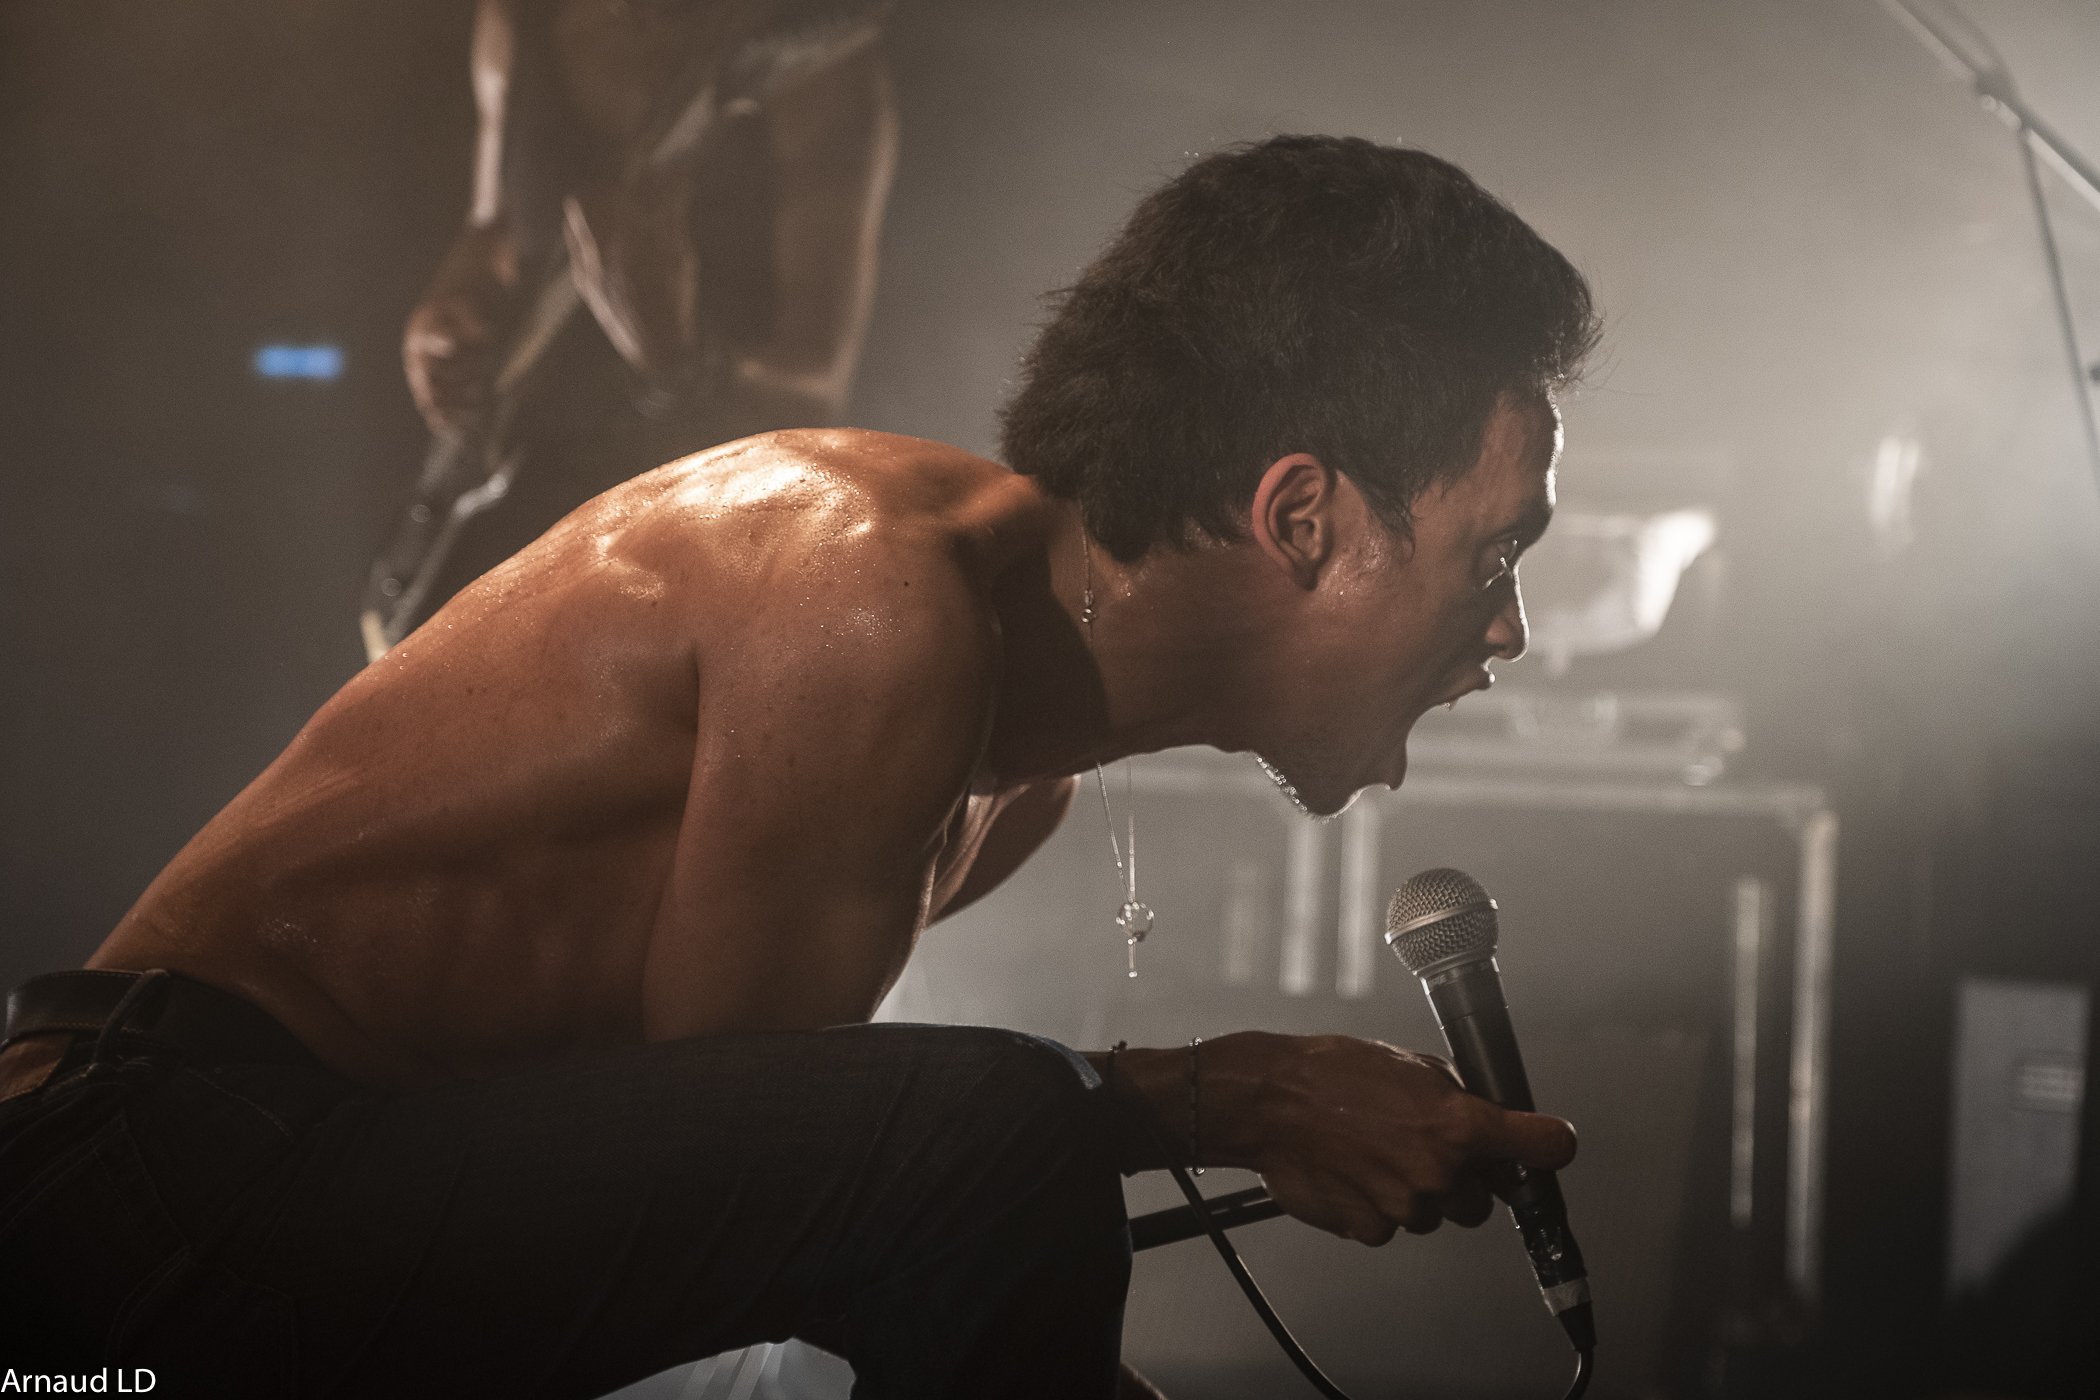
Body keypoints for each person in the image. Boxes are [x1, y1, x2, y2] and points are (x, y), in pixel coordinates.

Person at [1, 135, 1599, 1399]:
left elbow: (770, 1212)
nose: (1511, 630)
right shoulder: (868, 595)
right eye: (1493, 555)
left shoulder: (1016, 785)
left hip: (290, 1211)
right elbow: (812, 1148)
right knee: (994, 1127)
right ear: (1301, 516)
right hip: (130, 1199)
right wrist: (1232, 1094)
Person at [386, 0, 898, 640]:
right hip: (486, 525)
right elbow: (492, 228)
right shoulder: (516, 19)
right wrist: (444, 313)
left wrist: (672, 352)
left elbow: (815, 386)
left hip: (672, 567)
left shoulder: (817, 67)